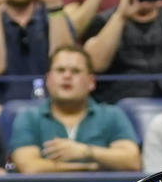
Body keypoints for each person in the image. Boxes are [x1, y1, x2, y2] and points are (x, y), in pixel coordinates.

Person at [9, 45, 141, 173]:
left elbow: (132, 161)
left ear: (91, 82)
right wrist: (88, 167)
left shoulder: (112, 115)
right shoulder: (29, 117)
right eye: (60, 70)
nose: (67, 76)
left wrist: (85, 151)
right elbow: (29, 167)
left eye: (76, 71)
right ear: (48, 80)